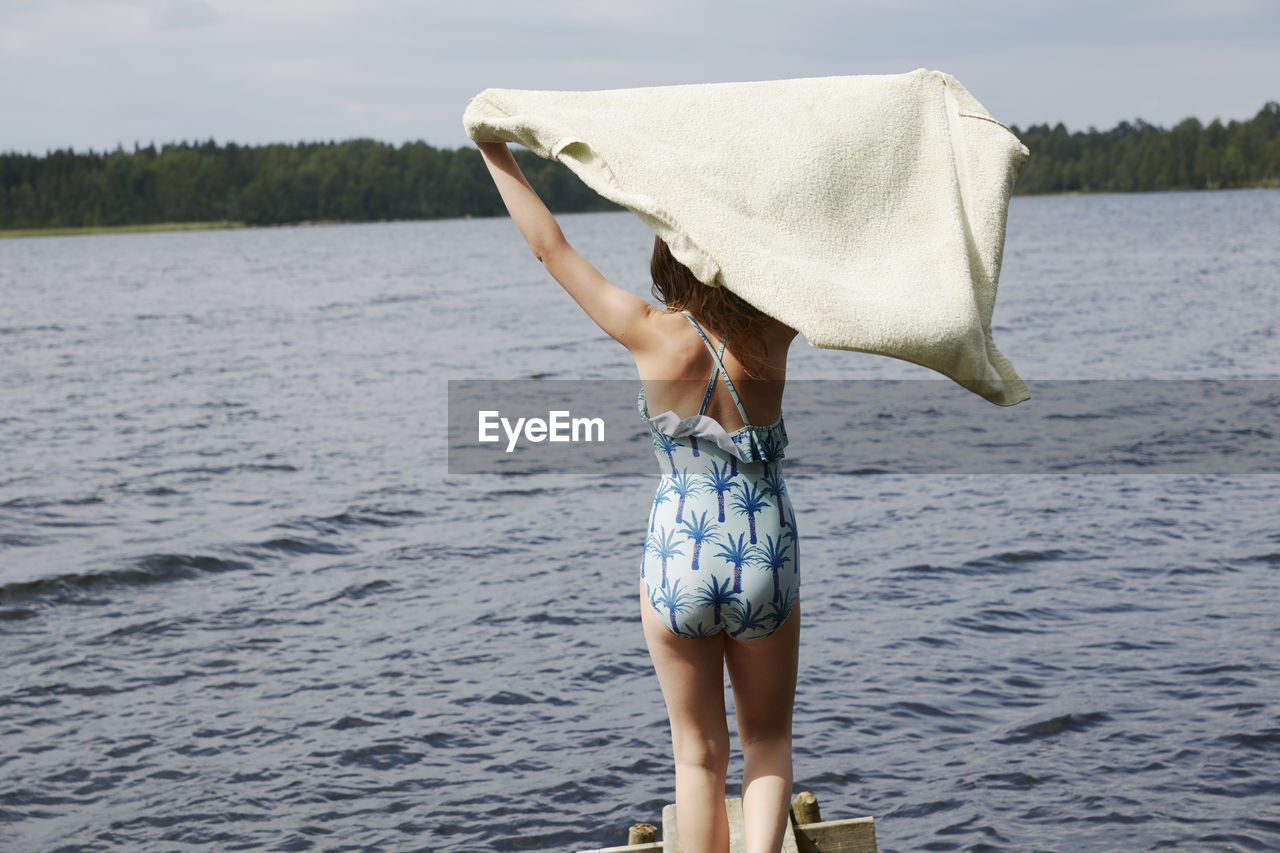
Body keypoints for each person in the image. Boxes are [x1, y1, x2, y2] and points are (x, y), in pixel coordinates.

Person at [476, 137, 801, 853]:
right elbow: (828, 260)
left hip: (678, 555)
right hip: (763, 549)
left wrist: (493, 149)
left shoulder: (647, 334)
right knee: (768, 742)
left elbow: (550, 248)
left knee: (698, 753)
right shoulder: (774, 332)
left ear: (666, 255)